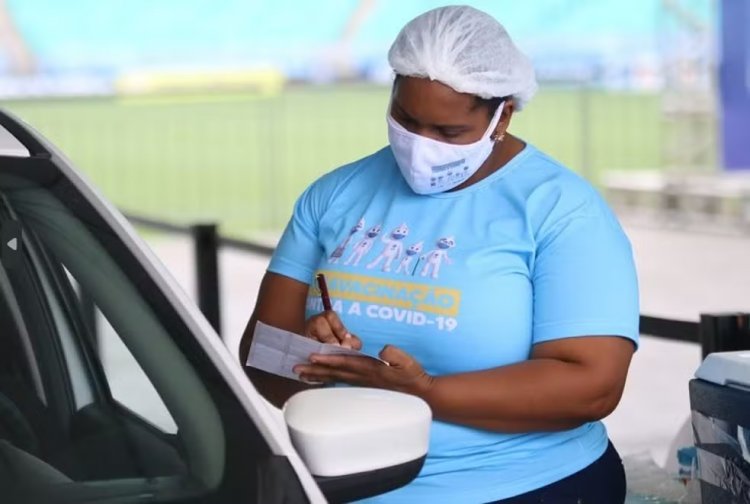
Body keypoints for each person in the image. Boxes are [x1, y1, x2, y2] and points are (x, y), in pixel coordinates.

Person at [240, 5, 638, 503]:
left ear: (502, 115)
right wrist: (311, 359)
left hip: (522, 484)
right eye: (406, 121)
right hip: (345, 482)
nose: (420, 147)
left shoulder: (560, 209)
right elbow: (261, 359)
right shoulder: (333, 195)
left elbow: (593, 385)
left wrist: (426, 392)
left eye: (449, 133)